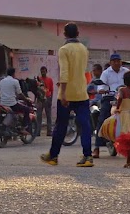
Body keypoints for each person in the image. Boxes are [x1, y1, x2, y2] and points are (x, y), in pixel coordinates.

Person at [40, 22, 94, 167]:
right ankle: (88, 156)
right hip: (82, 92)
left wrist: (62, 93)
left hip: (67, 94)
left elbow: (64, 72)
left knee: (61, 125)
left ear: (64, 34)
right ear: (77, 34)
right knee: (85, 125)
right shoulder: (84, 49)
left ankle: (53, 155)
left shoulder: (64, 49)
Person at [94, 53, 130, 158]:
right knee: (102, 119)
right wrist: (101, 89)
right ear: (110, 63)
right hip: (109, 98)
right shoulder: (106, 73)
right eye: (114, 61)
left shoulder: (126, 71)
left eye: (118, 60)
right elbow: (100, 85)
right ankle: (97, 148)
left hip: (124, 97)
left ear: (121, 62)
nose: (116, 62)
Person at [0, 67, 33, 135]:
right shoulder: (15, 81)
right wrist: (26, 99)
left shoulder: (1, 81)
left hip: (2, 103)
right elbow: (20, 94)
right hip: (12, 104)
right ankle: (23, 127)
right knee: (27, 109)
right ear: (13, 74)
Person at [37, 66, 54, 137]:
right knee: (39, 116)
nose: (43, 72)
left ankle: (49, 131)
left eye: (44, 71)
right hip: (40, 98)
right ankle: (37, 132)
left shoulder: (49, 80)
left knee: (48, 116)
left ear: (46, 72)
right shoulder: (38, 80)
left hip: (47, 97)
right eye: (42, 71)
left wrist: (51, 100)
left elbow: (51, 90)